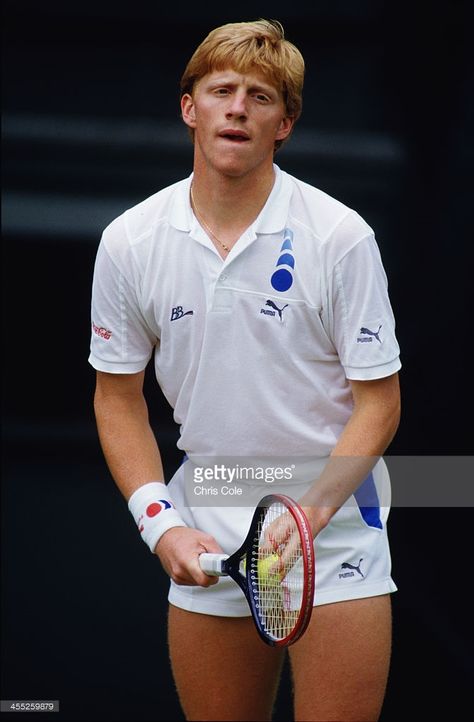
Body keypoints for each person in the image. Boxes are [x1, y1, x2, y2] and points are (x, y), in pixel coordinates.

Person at [89, 19, 401, 722]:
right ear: (189, 108)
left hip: (336, 526)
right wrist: (159, 522)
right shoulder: (130, 241)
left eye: (260, 96)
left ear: (283, 123)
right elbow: (116, 399)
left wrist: (309, 514)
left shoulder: (341, 237)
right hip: (208, 517)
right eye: (221, 89)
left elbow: (379, 404)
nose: (238, 107)